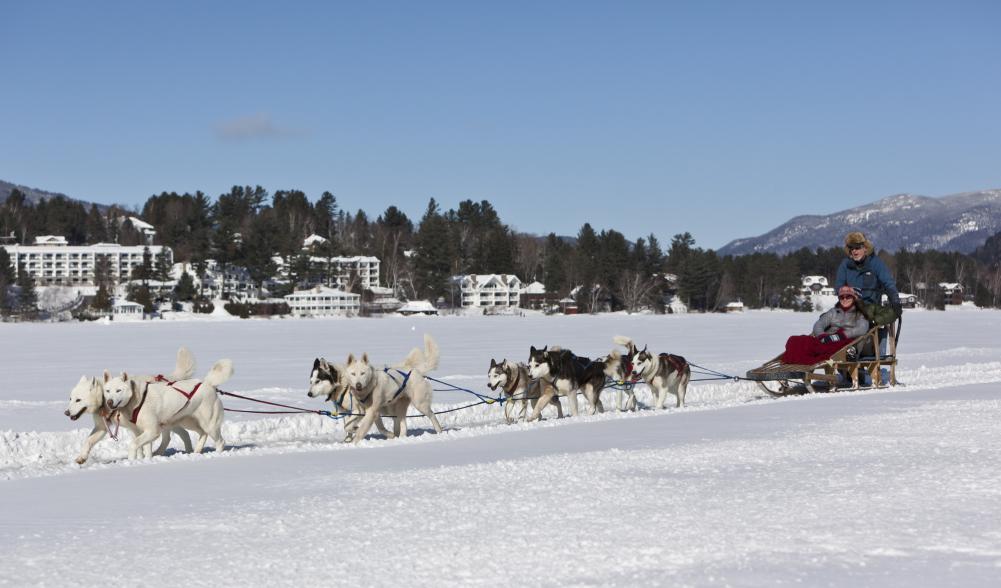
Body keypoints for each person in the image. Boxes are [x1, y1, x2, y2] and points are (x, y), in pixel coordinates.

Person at [835, 231, 900, 384]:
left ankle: (865, 365)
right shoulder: (845, 265)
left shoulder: (875, 263)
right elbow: (838, 286)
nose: (855, 251)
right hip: (848, 308)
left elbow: (889, 284)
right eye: (852, 248)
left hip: (870, 309)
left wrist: (895, 302)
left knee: (865, 328)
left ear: (865, 248)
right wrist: (847, 292)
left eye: (858, 247)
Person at [783, 286, 869, 366]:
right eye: (842, 297)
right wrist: (821, 335)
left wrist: (841, 336)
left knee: (815, 348)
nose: (845, 299)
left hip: (845, 343)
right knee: (794, 340)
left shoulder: (860, 313)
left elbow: (862, 329)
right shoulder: (834, 312)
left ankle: (801, 359)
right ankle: (795, 361)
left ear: (854, 298)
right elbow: (819, 324)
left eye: (848, 297)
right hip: (826, 339)